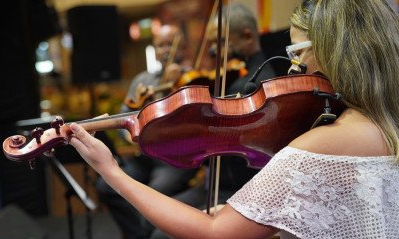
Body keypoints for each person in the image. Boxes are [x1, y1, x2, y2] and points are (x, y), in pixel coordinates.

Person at [71, 0, 399, 238]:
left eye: (297, 53)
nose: (293, 68)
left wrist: (109, 170)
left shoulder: (320, 146)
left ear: (332, 52)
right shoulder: (387, 125)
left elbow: (214, 232)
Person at [148, 4, 277, 238]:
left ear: (247, 36)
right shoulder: (231, 80)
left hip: (238, 190)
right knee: (155, 219)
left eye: (220, 43)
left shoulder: (255, 86)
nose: (214, 51)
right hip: (215, 186)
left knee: (161, 234)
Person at [94, 24, 198, 239]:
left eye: (171, 44)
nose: (166, 50)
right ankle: (137, 234)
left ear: (184, 48)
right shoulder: (143, 81)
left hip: (175, 160)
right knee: (105, 186)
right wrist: (129, 136)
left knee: (154, 194)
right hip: (145, 156)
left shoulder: (194, 80)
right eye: (160, 45)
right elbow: (124, 118)